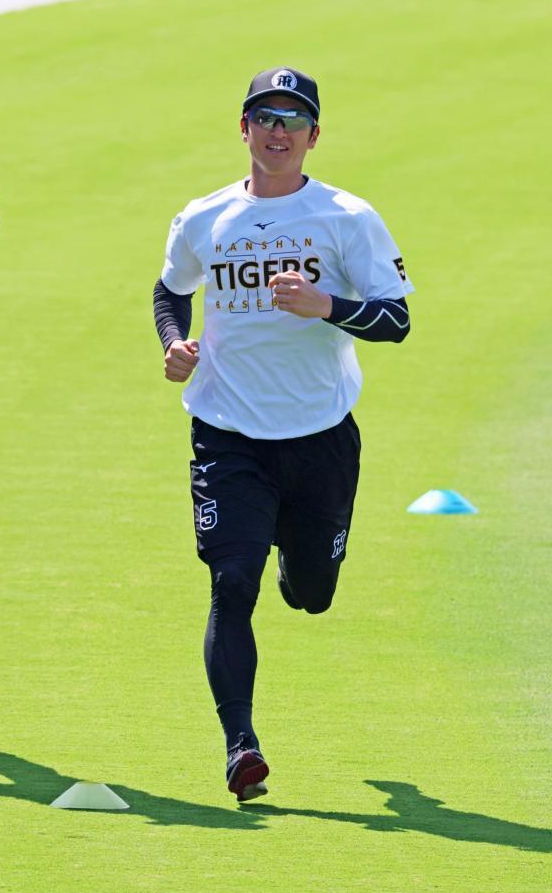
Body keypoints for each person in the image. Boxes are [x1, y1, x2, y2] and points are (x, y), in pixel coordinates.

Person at [153, 67, 412, 801]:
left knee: (312, 593)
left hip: (321, 438)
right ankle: (241, 746)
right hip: (227, 433)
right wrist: (173, 342)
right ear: (243, 129)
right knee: (231, 584)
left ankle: (301, 568)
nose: (277, 131)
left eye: (292, 119)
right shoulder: (203, 218)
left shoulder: (347, 218)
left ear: (313, 136)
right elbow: (170, 288)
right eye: (263, 116)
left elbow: (395, 318)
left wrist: (325, 303)